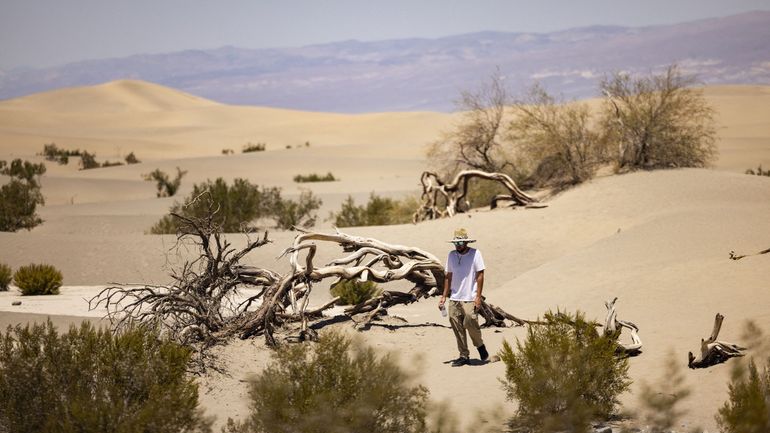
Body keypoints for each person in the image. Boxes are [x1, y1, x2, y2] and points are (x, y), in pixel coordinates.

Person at [438, 228, 489, 367]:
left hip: (469, 296)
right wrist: (444, 296)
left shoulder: (475, 254)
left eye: (460, 242)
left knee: (470, 321)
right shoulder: (451, 255)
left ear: (466, 242)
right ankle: (463, 355)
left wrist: (478, 297)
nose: (458, 245)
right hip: (455, 297)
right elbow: (448, 276)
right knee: (456, 325)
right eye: (456, 242)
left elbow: (480, 275)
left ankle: (480, 346)